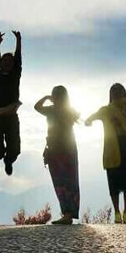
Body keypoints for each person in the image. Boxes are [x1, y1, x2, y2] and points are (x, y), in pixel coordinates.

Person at [85, 83, 126, 224]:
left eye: (119, 91)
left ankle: (125, 212)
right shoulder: (106, 110)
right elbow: (90, 119)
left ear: (123, 93)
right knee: (114, 181)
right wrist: (89, 121)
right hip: (112, 149)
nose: (117, 94)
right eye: (114, 91)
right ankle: (117, 212)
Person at [35, 86, 80, 225]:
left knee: (62, 181)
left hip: (59, 149)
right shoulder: (68, 111)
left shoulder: (52, 110)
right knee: (68, 181)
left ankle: (67, 214)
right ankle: (67, 213)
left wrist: (46, 98)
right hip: (64, 149)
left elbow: (37, 107)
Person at [0, 31, 22, 175]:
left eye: (10, 61)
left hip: (11, 117)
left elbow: (18, 59)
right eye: (5, 60)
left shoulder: (15, 75)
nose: (8, 62)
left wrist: (19, 41)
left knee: (14, 148)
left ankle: (8, 161)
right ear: (1, 64)